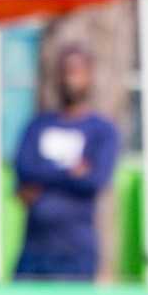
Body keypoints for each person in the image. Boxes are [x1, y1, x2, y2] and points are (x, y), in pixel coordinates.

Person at [13, 46, 120, 281]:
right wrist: (70, 172)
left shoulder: (102, 131)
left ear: (89, 74)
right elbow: (22, 171)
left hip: (76, 252)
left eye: (75, 71)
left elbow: (96, 180)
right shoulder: (37, 126)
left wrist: (42, 180)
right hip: (34, 250)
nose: (68, 79)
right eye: (64, 72)